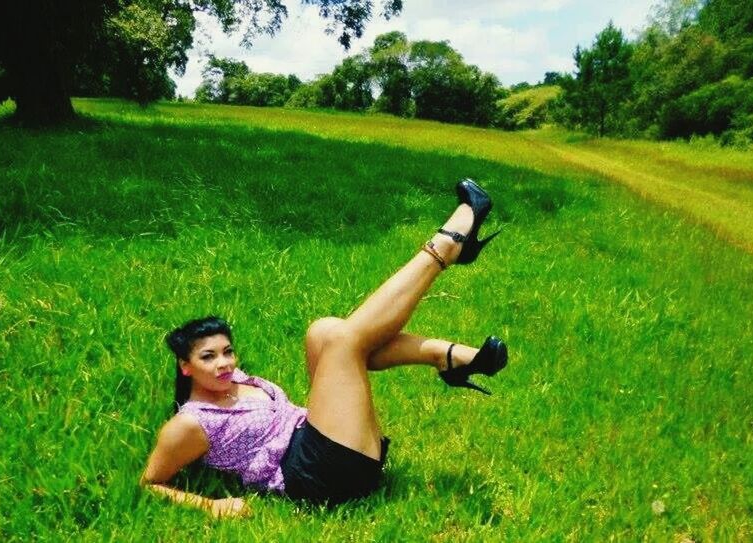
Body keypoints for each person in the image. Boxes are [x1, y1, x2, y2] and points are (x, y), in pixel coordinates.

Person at [140, 179, 509, 517]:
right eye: (208, 357)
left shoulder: (233, 380)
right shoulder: (189, 423)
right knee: (344, 341)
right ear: (184, 366)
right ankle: (445, 250)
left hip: (327, 444)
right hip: (316, 477)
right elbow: (150, 482)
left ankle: (449, 357)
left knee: (325, 330)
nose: (224, 364)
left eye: (227, 351)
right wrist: (210, 505)